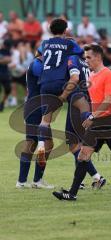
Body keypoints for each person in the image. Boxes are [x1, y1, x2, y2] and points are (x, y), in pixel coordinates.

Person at [53, 44, 111, 201]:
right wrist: (90, 115)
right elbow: (95, 100)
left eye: (89, 57)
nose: (86, 60)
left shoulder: (108, 74)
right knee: (83, 156)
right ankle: (72, 194)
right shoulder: (91, 76)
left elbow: (109, 100)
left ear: (98, 57)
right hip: (96, 123)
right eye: (85, 57)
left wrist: (92, 116)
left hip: (109, 122)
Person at [37, 18, 84, 164]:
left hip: (45, 82)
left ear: (51, 30)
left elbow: (38, 56)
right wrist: (71, 39)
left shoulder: (45, 43)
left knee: (45, 119)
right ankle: (80, 135)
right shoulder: (70, 43)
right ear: (65, 30)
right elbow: (81, 55)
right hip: (62, 82)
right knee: (77, 105)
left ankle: (40, 146)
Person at [65, 53, 106, 189]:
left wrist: (62, 95)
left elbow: (74, 78)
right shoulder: (84, 62)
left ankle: (97, 177)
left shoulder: (72, 59)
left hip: (77, 101)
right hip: (86, 100)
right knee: (78, 144)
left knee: (72, 143)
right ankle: (80, 181)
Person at [16, 48, 53, 189]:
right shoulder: (37, 64)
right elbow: (46, 80)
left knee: (38, 143)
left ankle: (28, 181)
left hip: (37, 107)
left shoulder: (37, 63)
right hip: (35, 108)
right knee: (34, 143)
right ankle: (30, 181)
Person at [0, 39, 12, 111]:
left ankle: (2, 103)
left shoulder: (7, 51)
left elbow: (9, 60)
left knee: (8, 89)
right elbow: (7, 60)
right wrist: (4, 60)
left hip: (5, 73)